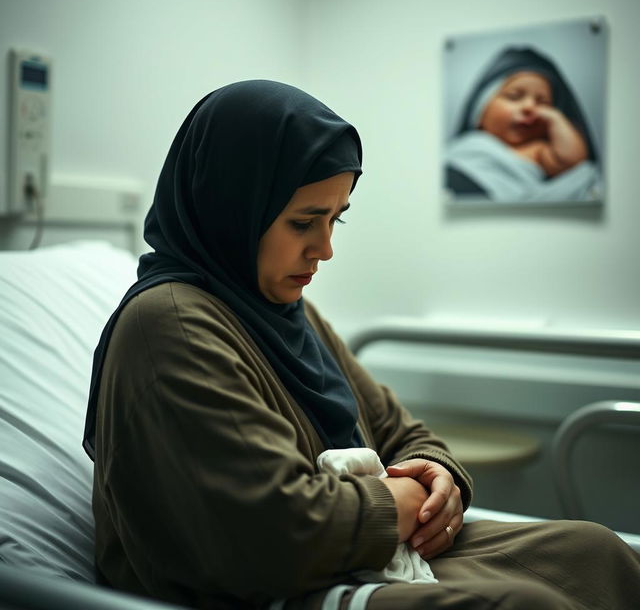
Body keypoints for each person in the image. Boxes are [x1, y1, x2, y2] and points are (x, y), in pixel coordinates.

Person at [84, 79, 640, 609]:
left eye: (335, 220)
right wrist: (401, 503)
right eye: (304, 223)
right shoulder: (171, 325)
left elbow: (403, 432)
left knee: (595, 553)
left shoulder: (285, 313)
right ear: (232, 206)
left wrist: (438, 476)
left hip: (364, 548)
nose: (324, 250)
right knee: (526, 604)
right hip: (268, 585)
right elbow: (271, 531)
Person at [445, 46, 603, 203]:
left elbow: (572, 160)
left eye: (543, 103)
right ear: (479, 112)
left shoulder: (537, 151)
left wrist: (554, 118)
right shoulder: (467, 145)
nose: (529, 107)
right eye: (514, 97)